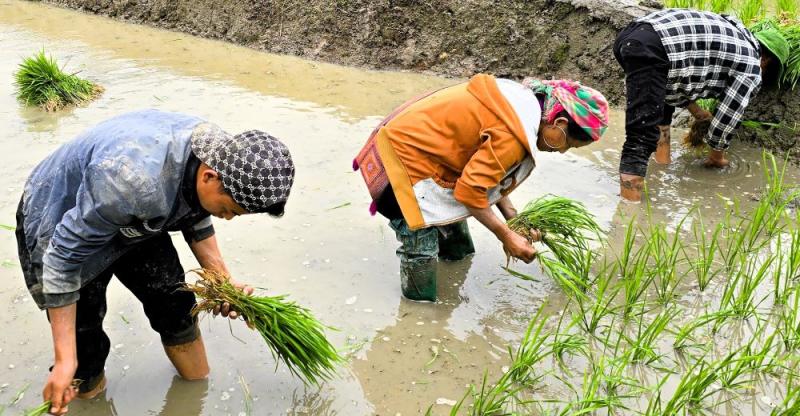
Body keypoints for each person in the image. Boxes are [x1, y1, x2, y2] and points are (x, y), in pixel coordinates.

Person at [15, 109, 295, 415]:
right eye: (229, 210)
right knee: (84, 352)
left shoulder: (219, 153)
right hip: (61, 222)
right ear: (209, 177)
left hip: (130, 215)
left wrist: (222, 280)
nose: (226, 218)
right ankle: (89, 398)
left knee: (176, 306)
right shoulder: (132, 183)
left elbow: (196, 208)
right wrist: (65, 359)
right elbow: (61, 260)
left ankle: (195, 395)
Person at [353, 74, 609, 301]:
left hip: (436, 159)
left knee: (460, 249)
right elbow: (470, 191)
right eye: (567, 143)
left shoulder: (522, 102)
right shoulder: (513, 130)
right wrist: (506, 236)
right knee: (421, 248)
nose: (562, 151)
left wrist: (513, 219)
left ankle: (451, 272)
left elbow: (489, 176)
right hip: (402, 163)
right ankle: (418, 309)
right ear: (559, 122)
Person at [613, 9, 790, 202]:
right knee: (641, 137)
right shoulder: (751, 67)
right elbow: (727, 118)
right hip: (654, 47)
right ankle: (629, 209)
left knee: (662, 105)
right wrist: (716, 157)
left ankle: (662, 165)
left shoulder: (733, 32)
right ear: (766, 60)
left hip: (632, 36)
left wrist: (697, 112)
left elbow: (682, 78)